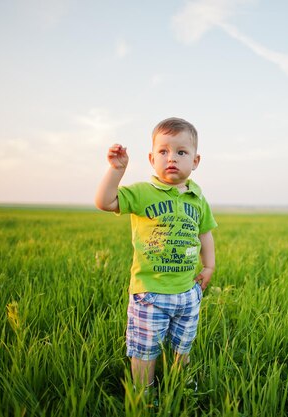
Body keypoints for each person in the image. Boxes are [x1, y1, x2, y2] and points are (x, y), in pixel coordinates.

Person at [95, 117, 217, 399]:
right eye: (163, 151)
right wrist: (116, 171)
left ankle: (181, 387)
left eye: (181, 152)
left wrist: (209, 265)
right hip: (150, 293)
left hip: (187, 293)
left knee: (182, 346)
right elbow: (105, 202)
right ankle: (143, 393)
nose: (171, 158)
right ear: (151, 158)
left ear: (195, 161)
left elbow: (205, 234)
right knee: (145, 350)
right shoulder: (142, 193)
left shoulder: (198, 198)